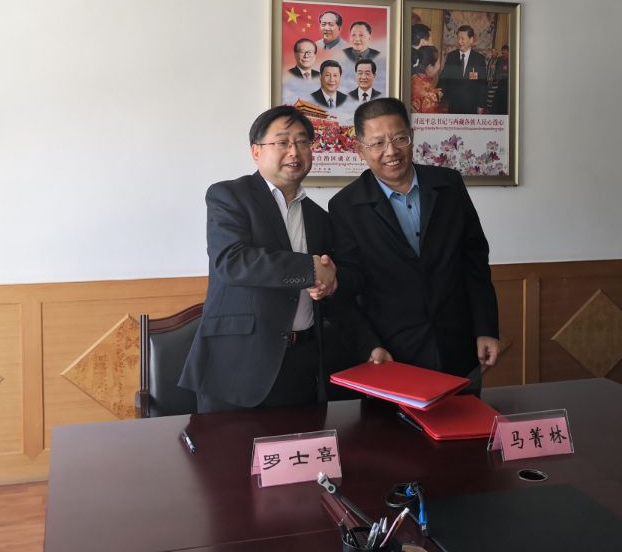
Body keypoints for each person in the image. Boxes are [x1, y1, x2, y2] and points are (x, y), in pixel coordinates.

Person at [328, 97, 500, 385]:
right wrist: (369, 346)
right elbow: (348, 287)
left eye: (399, 138)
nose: (391, 151)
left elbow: (475, 262)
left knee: (465, 415)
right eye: (378, 143)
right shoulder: (345, 206)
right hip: (392, 356)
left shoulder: (449, 185)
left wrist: (486, 327)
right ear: (360, 150)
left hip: (459, 347)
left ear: (411, 136)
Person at [179, 106, 339, 412]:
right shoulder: (229, 196)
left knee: (300, 443)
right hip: (237, 366)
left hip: (301, 363)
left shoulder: (319, 217)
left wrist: (327, 284)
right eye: (282, 142)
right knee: (228, 445)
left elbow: (326, 276)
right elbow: (231, 261)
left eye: (302, 142)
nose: (294, 151)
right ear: (256, 151)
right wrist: (309, 269)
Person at [437, 25, 489, 114]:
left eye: (462, 39)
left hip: (472, 104)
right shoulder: (451, 56)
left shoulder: (479, 59)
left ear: (471, 40)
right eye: (458, 38)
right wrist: (439, 91)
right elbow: (444, 78)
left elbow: (482, 85)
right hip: (454, 103)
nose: (459, 41)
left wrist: (481, 105)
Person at [410, 46, 442, 114]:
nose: (439, 67)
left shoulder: (411, 79)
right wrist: (434, 96)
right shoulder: (429, 95)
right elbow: (431, 118)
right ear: (430, 67)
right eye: (438, 63)